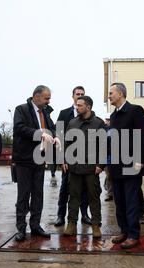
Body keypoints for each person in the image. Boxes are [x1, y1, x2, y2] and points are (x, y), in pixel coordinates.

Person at [12, 85, 60, 242]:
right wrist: (39, 134)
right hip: (24, 159)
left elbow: (51, 128)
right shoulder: (21, 109)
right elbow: (19, 128)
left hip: (40, 158)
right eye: (46, 98)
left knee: (38, 194)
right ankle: (21, 228)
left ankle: (35, 226)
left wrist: (55, 136)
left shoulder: (45, 112)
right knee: (23, 195)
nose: (48, 101)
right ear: (36, 96)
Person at [108, 83, 144, 249]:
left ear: (121, 94)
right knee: (120, 201)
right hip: (116, 165)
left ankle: (133, 234)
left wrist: (140, 160)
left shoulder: (135, 111)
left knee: (131, 200)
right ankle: (124, 230)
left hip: (132, 163)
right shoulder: (114, 115)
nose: (109, 96)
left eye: (111, 93)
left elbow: (143, 137)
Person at [63, 96, 105, 238]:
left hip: (92, 168)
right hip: (74, 168)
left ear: (88, 107)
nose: (77, 107)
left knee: (94, 197)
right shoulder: (73, 122)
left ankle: (96, 225)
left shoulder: (98, 123)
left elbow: (104, 146)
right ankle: (72, 224)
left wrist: (101, 164)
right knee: (73, 197)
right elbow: (67, 143)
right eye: (76, 105)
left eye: (80, 105)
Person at [54, 86, 91, 227]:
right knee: (65, 189)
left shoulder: (89, 114)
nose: (79, 96)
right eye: (77, 94)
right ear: (73, 96)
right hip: (68, 159)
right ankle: (60, 216)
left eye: (82, 94)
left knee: (85, 189)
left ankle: (85, 215)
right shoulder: (64, 113)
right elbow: (59, 137)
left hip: (85, 159)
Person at [103, 113, 114, 202]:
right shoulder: (104, 129)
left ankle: (111, 192)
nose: (107, 121)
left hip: (115, 156)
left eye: (109, 120)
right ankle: (110, 193)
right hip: (106, 156)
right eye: (107, 119)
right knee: (109, 175)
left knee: (112, 175)